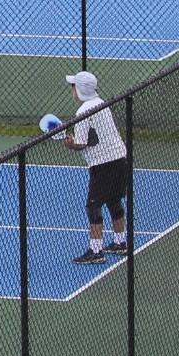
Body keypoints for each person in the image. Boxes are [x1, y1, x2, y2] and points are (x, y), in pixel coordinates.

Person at [59, 70, 130, 264]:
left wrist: (69, 142)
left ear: (80, 89)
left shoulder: (83, 112)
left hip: (102, 163)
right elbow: (94, 137)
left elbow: (81, 143)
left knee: (93, 206)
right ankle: (120, 241)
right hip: (120, 157)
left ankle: (96, 251)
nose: (72, 90)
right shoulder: (102, 103)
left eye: (73, 86)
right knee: (114, 200)